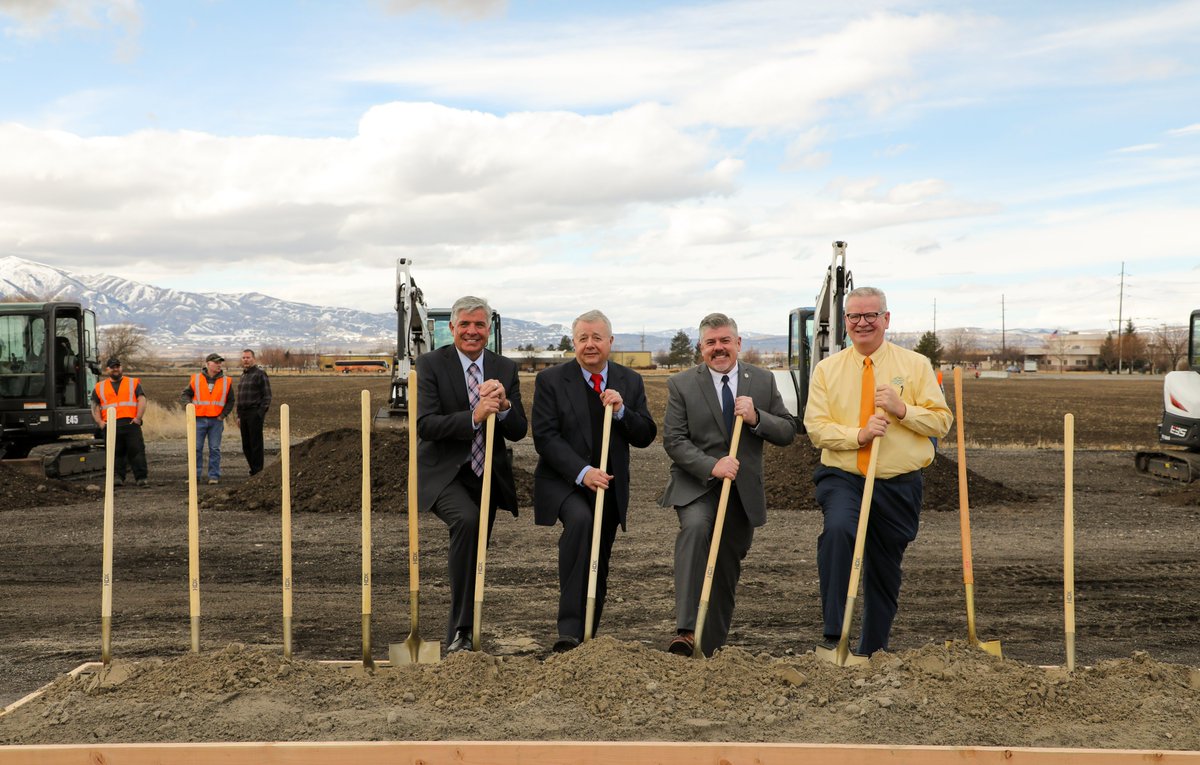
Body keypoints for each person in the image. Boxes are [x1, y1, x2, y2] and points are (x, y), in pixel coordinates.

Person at [804, 286, 952, 656]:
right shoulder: (827, 370)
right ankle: (834, 632)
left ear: (886, 319)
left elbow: (941, 423)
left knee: (884, 569)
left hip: (899, 482)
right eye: (854, 316)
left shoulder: (915, 366)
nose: (862, 323)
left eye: (871, 315)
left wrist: (903, 411)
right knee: (839, 531)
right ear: (846, 323)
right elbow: (816, 428)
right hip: (844, 475)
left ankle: (873, 651)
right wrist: (859, 434)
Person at [660, 313, 796, 657]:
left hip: (742, 491)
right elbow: (674, 440)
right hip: (697, 485)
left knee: (725, 567)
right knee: (696, 529)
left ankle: (710, 647)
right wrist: (712, 465)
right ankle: (687, 631)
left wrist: (757, 418)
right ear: (700, 348)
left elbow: (787, 430)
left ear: (738, 344)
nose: (718, 348)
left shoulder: (762, 381)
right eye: (710, 343)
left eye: (724, 341)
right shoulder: (682, 384)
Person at [532, 309, 657, 653]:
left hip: (609, 486)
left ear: (610, 342)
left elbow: (645, 434)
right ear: (574, 343)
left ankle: (588, 634)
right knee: (582, 523)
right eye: (583, 338)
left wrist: (621, 412)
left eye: (596, 338)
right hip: (563, 481)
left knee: (598, 558)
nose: (590, 345)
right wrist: (583, 472)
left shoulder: (629, 381)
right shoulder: (552, 381)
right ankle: (569, 632)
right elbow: (545, 437)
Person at [415, 296, 527, 654]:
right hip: (444, 473)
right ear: (451, 328)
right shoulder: (431, 364)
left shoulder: (505, 368)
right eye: (465, 324)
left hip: (487, 476)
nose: (472, 331)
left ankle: (462, 636)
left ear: (489, 328)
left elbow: (519, 430)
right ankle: (462, 631)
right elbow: (425, 424)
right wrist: (473, 416)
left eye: (479, 324)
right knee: (466, 521)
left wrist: (505, 406)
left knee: (477, 553)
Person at [90, 357, 149, 487]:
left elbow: (142, 399)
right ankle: (117, 478)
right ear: (107, 369)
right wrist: (100, 422)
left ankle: (141, 478)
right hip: (110, 425)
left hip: (130, 424)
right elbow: (94, 405)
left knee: (137, 451)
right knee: (115, 453)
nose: (116, 369)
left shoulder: (133, 383)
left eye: (118, 366)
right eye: (113, 367)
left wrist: (138, 418)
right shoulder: (100, 387)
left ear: (121, 367)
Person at [181, 352, 234, 485]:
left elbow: (230, 401)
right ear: (207, 364)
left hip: (216, 421)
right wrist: (189, 406)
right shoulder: (196, 379)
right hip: (198, 420)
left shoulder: (227, 381)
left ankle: (214, 476)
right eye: (216, 362)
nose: (218, 365)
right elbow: (186, 394)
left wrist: (223, 415)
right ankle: (194, 476)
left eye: (220, 362)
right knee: (196, 448)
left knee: (214, 449)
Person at [235, 348, 272, 476]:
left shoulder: (260, 374)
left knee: (255, 444)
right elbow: (240, 397)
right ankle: (253, 469)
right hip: (243, 414)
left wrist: (259, 413)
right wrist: (239, 416)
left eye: (248, 357)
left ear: (253, 359)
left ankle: (258, 471)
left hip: (254, 413)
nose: (246, 360)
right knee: (246, 445)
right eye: (244, 358)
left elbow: (267, 396)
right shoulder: (243, 375)